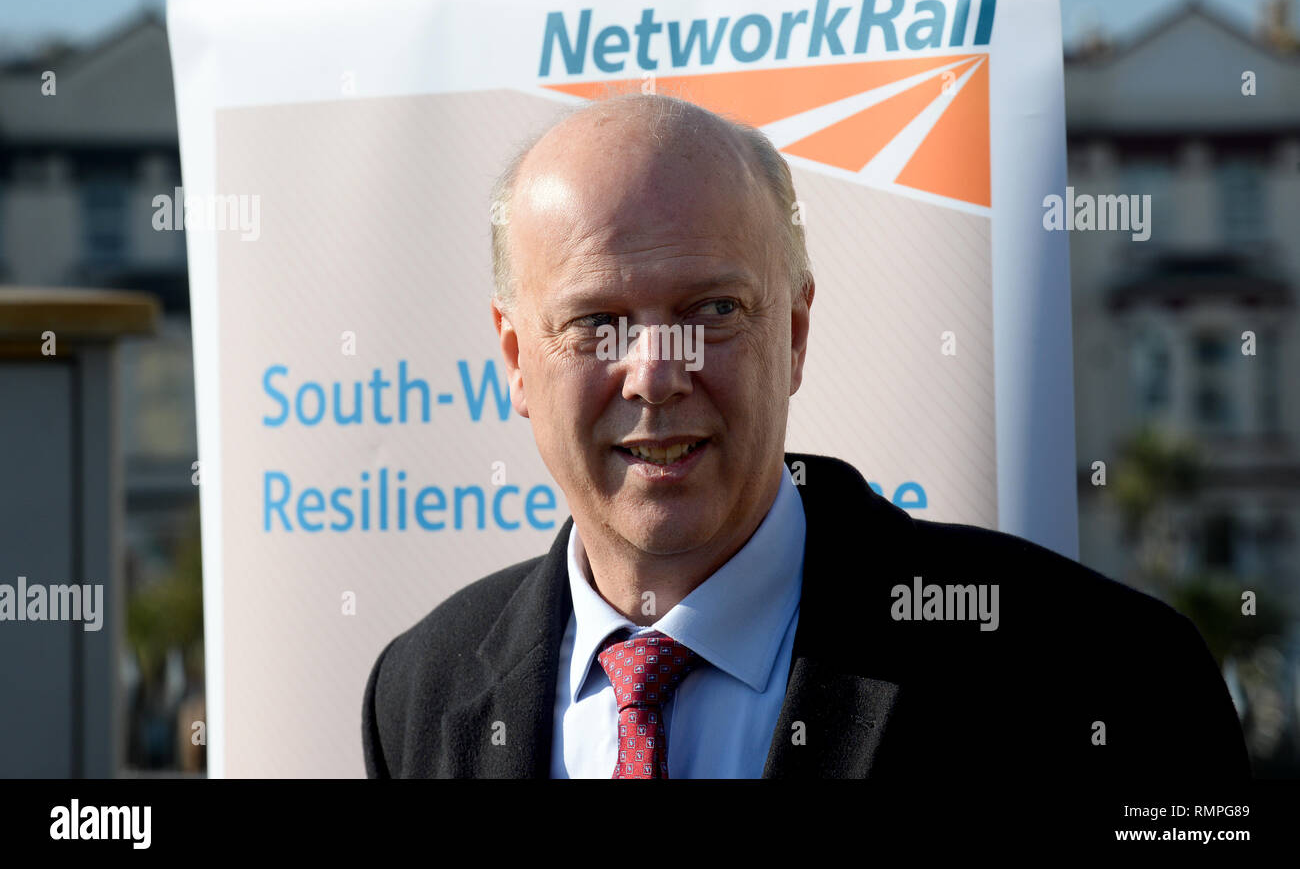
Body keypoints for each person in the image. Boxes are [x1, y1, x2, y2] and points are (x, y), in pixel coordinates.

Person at [361, 92, 1250, 779]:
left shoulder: (1104, 674)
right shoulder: (420, 692)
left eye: (712, 309)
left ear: (791, 333)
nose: (656, 373)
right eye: (597, 322)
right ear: (517, 358)